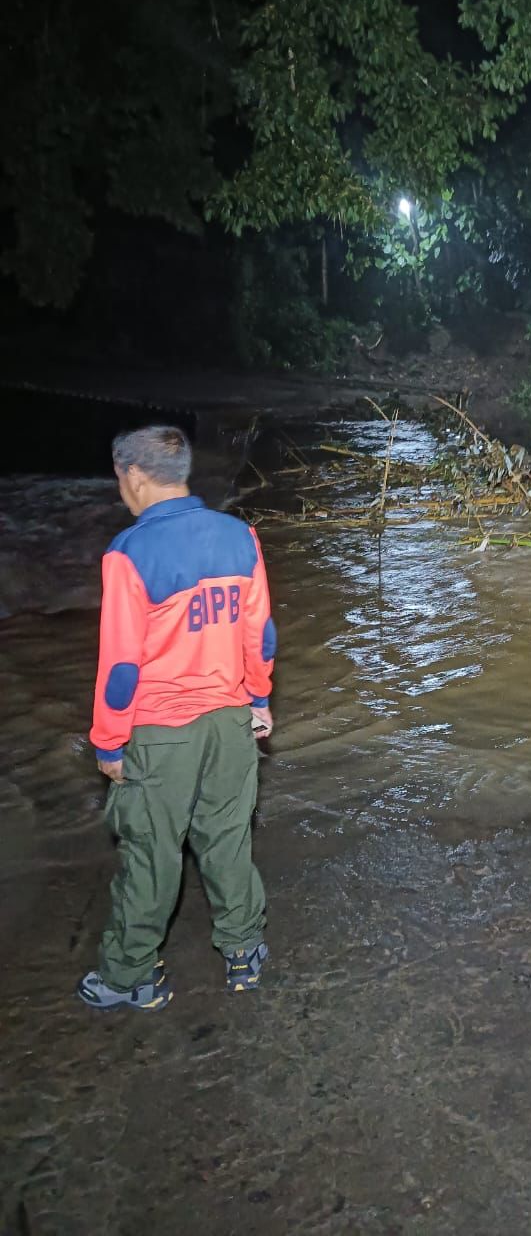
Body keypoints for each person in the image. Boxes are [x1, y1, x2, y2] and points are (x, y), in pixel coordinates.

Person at [77, 426, 276, 1010]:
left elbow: (120, 667)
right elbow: (259, 635)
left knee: (150, 851)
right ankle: (244, 952)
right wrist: (258, 701)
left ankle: (132, 975)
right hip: (230, 722)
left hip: (160, 734)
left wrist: (109, 743)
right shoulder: (241, 536)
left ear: (132, 476)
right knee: (228, 841)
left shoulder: (128, 553)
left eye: (120, 481)